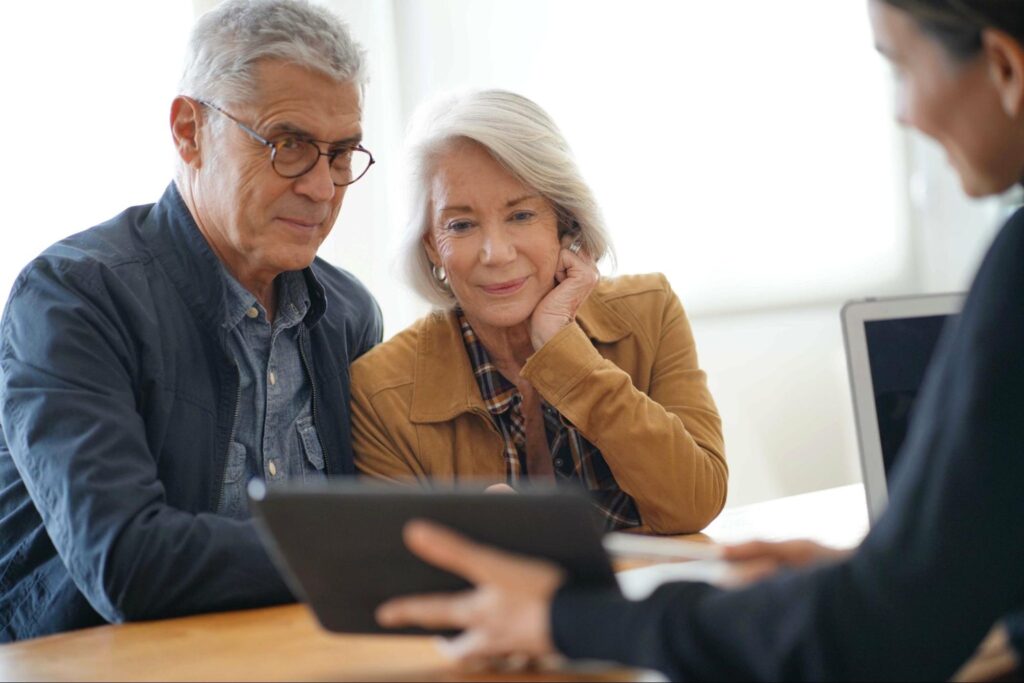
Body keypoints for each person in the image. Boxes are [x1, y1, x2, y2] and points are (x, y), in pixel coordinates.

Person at [373, 0, 1024, 679]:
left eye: (900, 67)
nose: (903, 113)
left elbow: (880, 625)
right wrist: (867, 571)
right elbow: (950, 579)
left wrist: (568, 617)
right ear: (430, 244)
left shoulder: (1015, 269)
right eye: (462, 224)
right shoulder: (387, 383)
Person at [0, 0, 382, 641]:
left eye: (341, 154)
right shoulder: (72, 297)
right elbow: (128, 562)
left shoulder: (347, 314)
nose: (322, 188)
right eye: (288, 145)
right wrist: (372, 549)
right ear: (188, 130)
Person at [350, 90, 727, 534]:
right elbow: (400, 576)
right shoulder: (380, 391)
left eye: (521, 215)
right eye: (462, 225)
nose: (496, 252)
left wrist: (567, 354)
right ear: (432, 244)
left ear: (564, 222)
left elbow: (695, 503)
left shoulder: (650, 311)